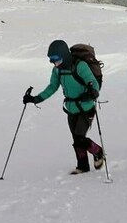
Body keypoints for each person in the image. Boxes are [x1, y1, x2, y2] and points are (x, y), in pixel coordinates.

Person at [23, 39, 105, 174]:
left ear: (64, 55)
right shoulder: (57, 71)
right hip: (71, 107)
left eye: (56, 58)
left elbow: (94, 85)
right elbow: (52, 87)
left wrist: (91, 92)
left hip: (86, 107)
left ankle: (98, 152)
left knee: (80, 137)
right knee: (76, 140)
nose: (53, 62)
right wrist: (35, 99)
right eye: (51, 59)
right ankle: (82, 166)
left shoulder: (80, 66)